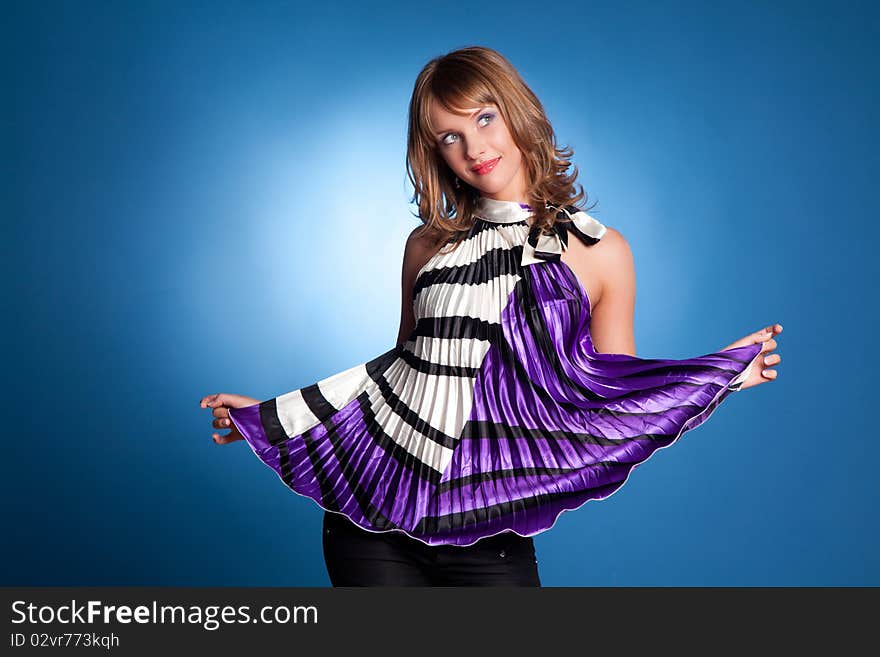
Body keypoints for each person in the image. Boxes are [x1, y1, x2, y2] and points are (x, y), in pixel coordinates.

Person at [199, 46, 783, 587]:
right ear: (435, 153)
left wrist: (717, 379)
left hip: (491, 530)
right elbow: (404, 374)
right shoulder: (427, 247)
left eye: (483, 118)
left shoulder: (601, 252)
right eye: (448, 136)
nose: (473, 148)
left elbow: (612, 399)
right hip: (373, 522)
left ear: (517, 112)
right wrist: (279, 418)